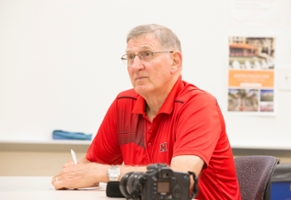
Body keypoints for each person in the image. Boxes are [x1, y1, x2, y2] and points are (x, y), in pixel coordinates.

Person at [52, 24, 241, 199]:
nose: (135, 66)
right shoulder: (124, 104)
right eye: (130, 57)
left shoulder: (199, 105)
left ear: (175, 61)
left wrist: (105, 173)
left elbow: (178, 180)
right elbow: (88, 169)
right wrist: (78, 174)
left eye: (146, 54)